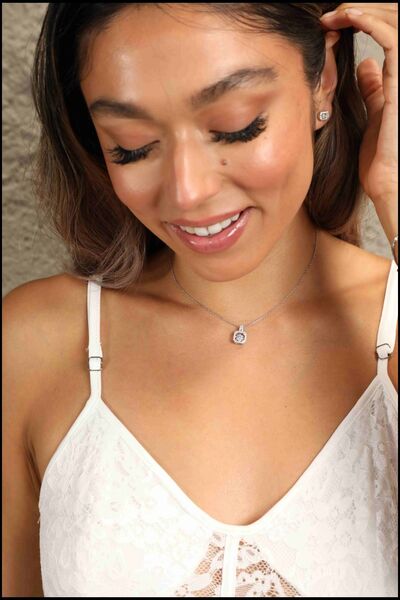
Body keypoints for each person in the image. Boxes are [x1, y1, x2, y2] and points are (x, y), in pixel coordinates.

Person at [3, 3, 398, 597]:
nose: (188, 192)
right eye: (132, 147)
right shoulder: (36, 345)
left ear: (323, 79)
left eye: (237, 127)